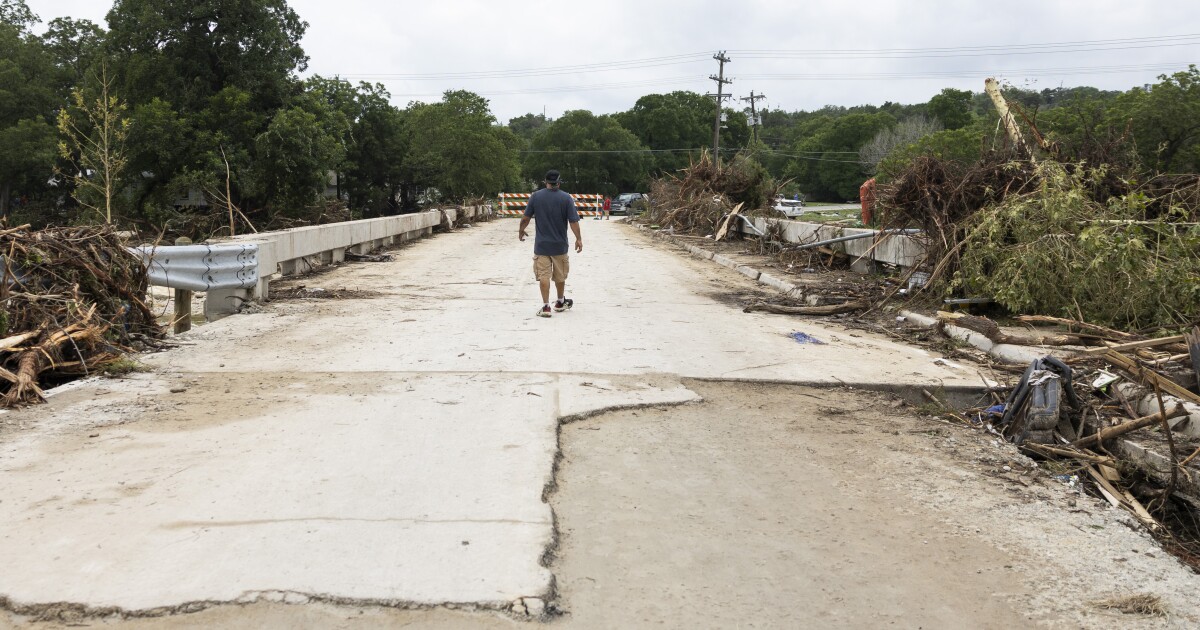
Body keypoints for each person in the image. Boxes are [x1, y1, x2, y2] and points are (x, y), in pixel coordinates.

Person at [518, 170, 582, 318]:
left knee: (544, 276)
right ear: (559, 182)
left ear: (545, 181)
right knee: (560, 276)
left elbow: (526, 217)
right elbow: (573, 221)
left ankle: (546, 306)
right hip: (560, 246)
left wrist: (521, 230)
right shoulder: (566, 198)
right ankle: (560, 302)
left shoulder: (536, 197)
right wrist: (578, 239)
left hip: (541, 246)